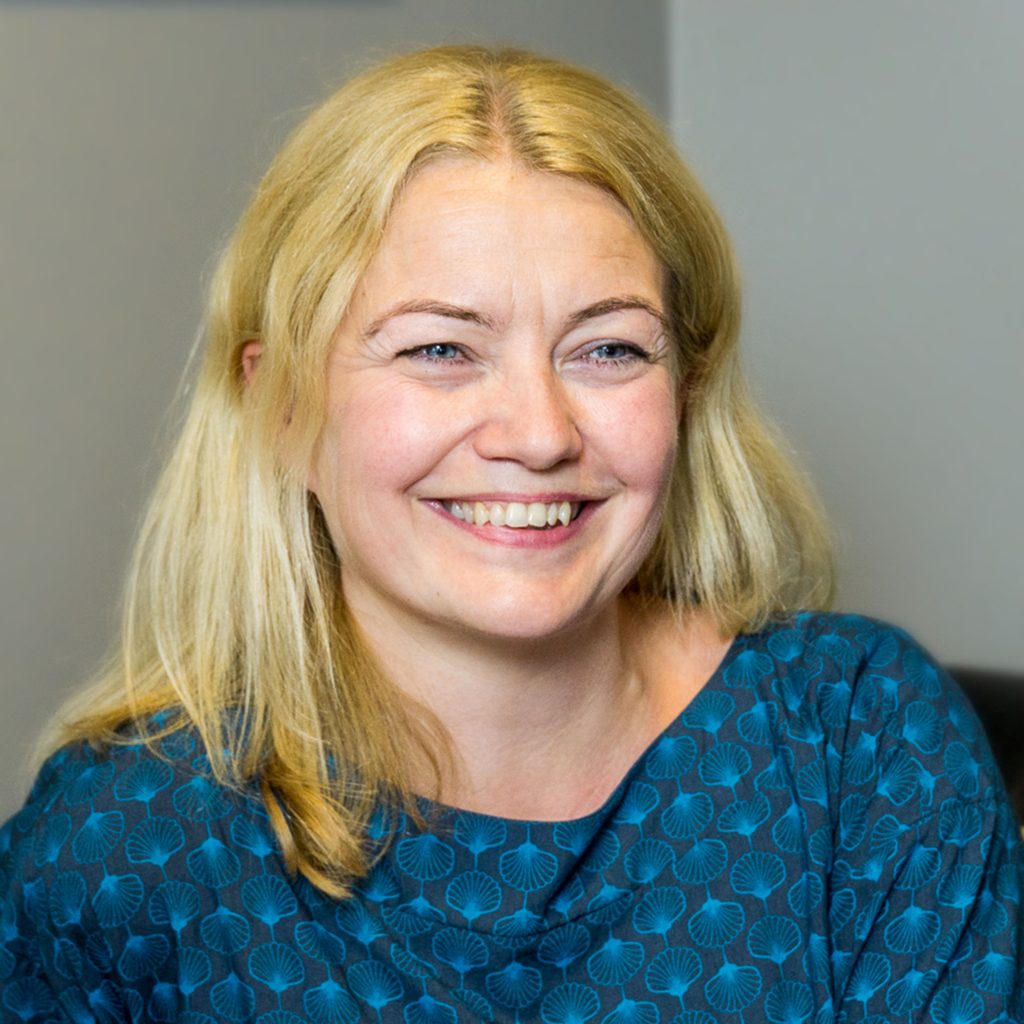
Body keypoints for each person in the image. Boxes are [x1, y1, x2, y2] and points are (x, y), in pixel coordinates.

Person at [1, 42, 1020, 1024]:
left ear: (684, 394)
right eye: (441, 348)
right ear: (284, 411)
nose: (538, 435)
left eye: (609, 349)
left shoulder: (863, 744)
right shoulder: (120, 846)